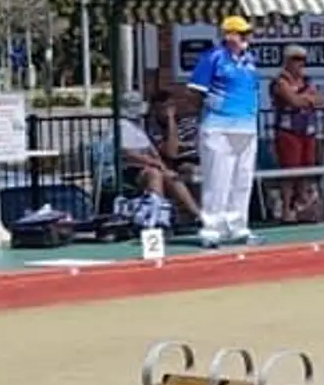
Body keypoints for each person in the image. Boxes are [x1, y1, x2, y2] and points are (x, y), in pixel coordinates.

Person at [187, 14, 263, 247]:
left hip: (247, 128)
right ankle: (212, 228)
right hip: (218, 127)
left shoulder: (250, 60)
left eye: (247, 34)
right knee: (217, 179)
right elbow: (195, 91)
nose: (247, 38)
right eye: (242, 34)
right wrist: (209, 113)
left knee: (242, 180)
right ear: (229, 35)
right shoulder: (213, 58)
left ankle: (238, 226)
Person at [113, 91, 201, 220]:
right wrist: (154, 162)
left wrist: (160, 164)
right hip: (131, 170)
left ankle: (197, 214)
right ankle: (158, 214)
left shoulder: (137, 127)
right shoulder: (123, 126)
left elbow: (152, 152)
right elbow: (128, 154)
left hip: (149, 167)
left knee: (171, 176)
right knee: (155, 174)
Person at [268, 45, 324, 223]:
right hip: (288, 131)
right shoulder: (280, 81)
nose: (300, 64)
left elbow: (320, 99)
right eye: (295, 59)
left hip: (307, 130)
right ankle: (286, 208)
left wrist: (308, 100)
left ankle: (303, 206)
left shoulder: (307, 81)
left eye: (302, 60)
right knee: (290, 171)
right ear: (287, 61)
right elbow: (293, 101)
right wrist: (307, 100)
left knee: (307, 168)